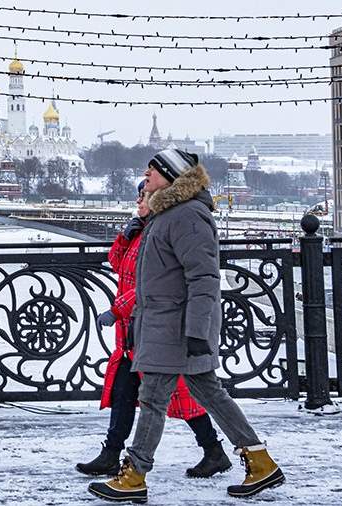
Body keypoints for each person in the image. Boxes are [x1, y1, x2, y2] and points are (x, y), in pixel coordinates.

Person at [88, 149, 284, 504]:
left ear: (169, 175)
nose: (145, 175)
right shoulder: (167, 214)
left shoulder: (187, 215)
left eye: (152, 170)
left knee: (153, 399)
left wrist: (196, 331)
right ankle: (260, 461)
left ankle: (134, 476)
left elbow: (204, 278)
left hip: (176, 328)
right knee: (207, 394)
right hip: (165, 324)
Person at [76, 181, 230, 479]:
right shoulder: (142, 231)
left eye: (143, 196)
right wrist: (125, 236)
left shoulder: (163, 231)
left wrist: (116, 309)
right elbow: (117, 264)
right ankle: (112, 453)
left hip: (153, 325)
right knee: (125, 389)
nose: (138, 201)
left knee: (178, 395)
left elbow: (155, 285)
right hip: (133, 330)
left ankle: (213, 450)